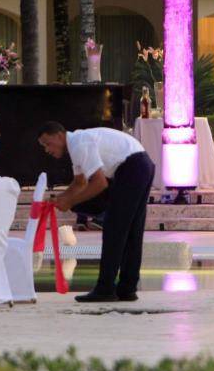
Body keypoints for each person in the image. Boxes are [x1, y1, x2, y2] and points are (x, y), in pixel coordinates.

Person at [38, 122, 154, 302]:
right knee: (132, 231)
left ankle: (105, 288)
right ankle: (126, 288)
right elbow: (79, 183)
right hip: (141, 164)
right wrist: (59, 199)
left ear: (59, 135)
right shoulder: (77, 143)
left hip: (133, 166)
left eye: (47, 143)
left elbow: (100, 183)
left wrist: (69, 202)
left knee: (115, 229)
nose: (46, 149)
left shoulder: (79, 144)